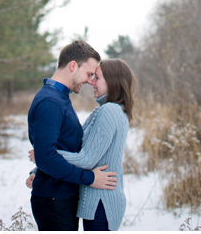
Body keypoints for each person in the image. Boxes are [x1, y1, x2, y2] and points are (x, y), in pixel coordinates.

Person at [28, 59, 135, 230]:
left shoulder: (109, 111)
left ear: (113, 82)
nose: (91, 82)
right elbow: (78, 149)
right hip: (98, 198)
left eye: (97, 78)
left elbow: (86, 159)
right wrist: (40, 168)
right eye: (91, 76)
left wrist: (43, 154)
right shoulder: (105, 110)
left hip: (102, 200)